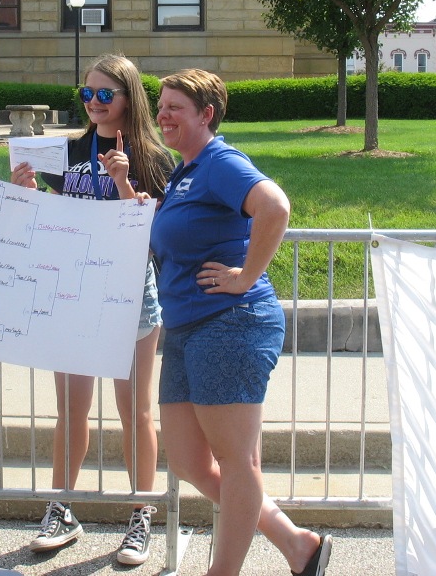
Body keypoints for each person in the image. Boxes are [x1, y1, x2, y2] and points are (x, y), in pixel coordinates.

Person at [150, 68, 333, 576]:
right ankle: (298, 544)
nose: (163, 115)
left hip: (230, 323)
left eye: (175, 107)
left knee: (236, 461)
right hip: (185, 328)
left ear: (206, 114)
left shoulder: (220, 162)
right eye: (161, 106)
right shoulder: (185, 171)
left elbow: (275, 206)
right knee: (188, 461)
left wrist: (245, 276)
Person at [11, 52, 174, 565]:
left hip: (130, 294)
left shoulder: (153, 156)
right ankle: (61, 508)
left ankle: (141, 515)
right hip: (73, 291)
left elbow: (157, 232)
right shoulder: (68, 151)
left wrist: (125, 184)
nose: (95, 102)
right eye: (87, 93)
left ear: (129, 97)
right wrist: (26, 192)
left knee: (135, 411)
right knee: (71, 410)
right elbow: (51, 216)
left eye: (106, 94)